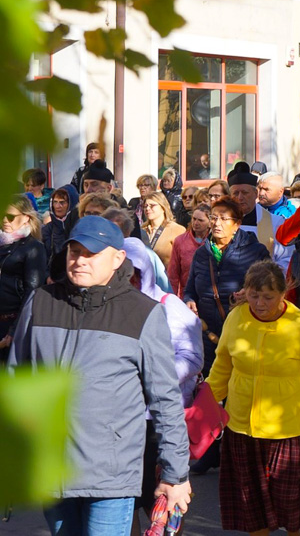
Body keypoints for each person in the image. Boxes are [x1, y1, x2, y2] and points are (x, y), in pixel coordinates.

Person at [9, 216, 192, 533]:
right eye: (74, 252)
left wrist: (175, 476)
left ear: (118, 258)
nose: (80, 260)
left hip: (110, 476)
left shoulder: (143, 313)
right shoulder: (40, 302)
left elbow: (165, 401)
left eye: (91, 253)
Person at [207, 261, 300, 536]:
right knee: (252, 506)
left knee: (294, 509)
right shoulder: (236, 319)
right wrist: (205, 408)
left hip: (289, 431)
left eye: (268, 297)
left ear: (283, 293)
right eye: (254, 295)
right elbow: (221, 368)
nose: (259, 303)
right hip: (242, 428)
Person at [122, 237, 203, 530]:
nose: (128, 279)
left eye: (134, 272)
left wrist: (156, 378)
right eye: (122, 272)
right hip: (121, 420)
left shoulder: (171, 307)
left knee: (162, 502)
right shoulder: (111, 308)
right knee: (124, 498)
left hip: (159, 420)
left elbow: (193, 358)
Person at [184, 198, 270, 374]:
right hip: (209, 336)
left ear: (237, 224)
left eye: (224, 219)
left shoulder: (255, 251)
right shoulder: (202, 253)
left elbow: (271, 287)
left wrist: (251, 293)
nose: (217, 223)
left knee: (240, 385)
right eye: (214, 218)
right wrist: (189, 300)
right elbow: (190, 289)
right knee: (210, 388)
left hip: (243, 333)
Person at [0, 196, 48, 358]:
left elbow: (32, 292)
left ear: (26, 218)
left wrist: (14, 330)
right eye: (2, 215)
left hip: (13, 322)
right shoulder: (2, 243)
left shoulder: (33, 248)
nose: (5, 220)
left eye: (11, 217)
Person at [228, 164, 290, 271]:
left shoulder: (276, 222)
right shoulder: (221, 223)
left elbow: (285, 259)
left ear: (255, 193)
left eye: (245, 192)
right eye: (235, 193)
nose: (240, 197)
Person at [168, 203, 211, 299]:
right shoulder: (180, 241)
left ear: (210, 222)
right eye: (194, 219)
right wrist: (172, 298)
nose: (196, 223)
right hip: (186, 295)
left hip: (209, 295)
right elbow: (173, 274)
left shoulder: (215, 240)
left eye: (200, 220)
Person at [141, 191, 186, 271]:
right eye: (145, 206)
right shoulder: (142, 230)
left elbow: (184, 260)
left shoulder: (176, 229)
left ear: (163, 207)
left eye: (152, 205)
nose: (148, 209)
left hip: (168, 279)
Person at [41, 185, 79, 261]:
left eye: (62, 202)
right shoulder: (46, 229)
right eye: (55, 202)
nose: (58, 206)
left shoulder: (79, 226)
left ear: (71, 204)